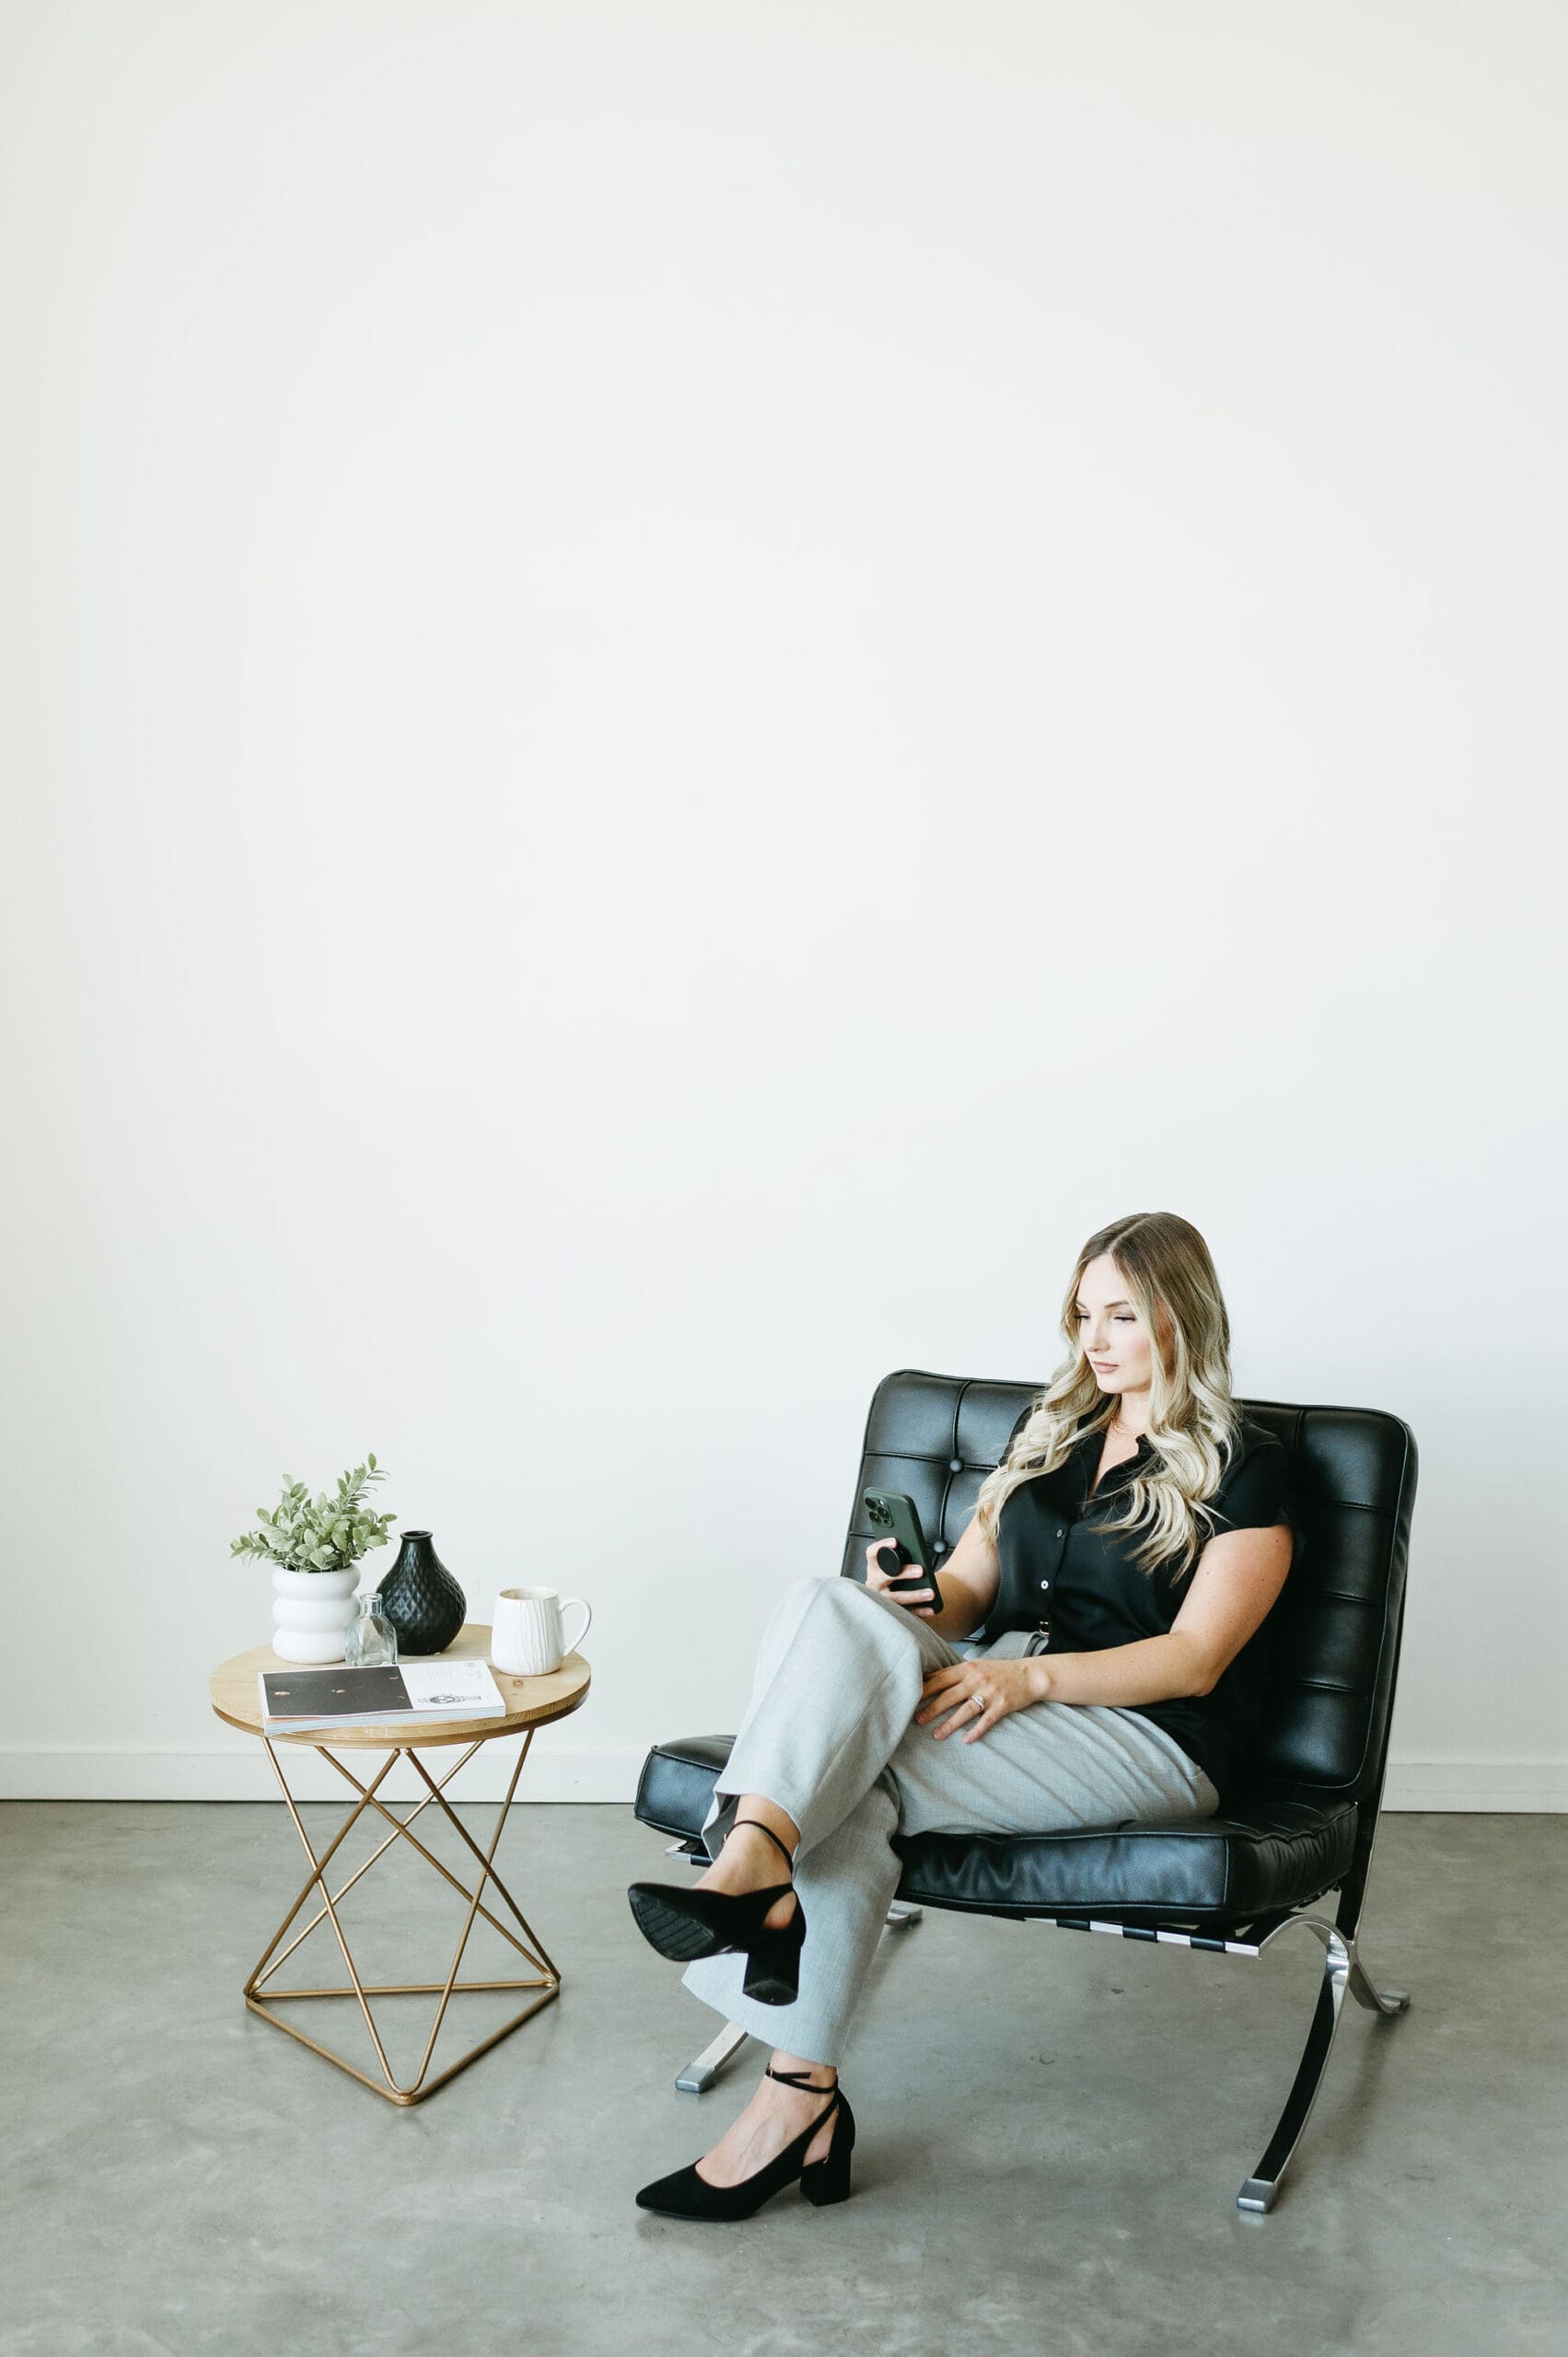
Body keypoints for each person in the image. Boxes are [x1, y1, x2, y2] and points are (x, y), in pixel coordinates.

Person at [626, 1210, 1297, 2220]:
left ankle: (765, 1939)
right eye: (1082, 1315)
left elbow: (1195, 1661)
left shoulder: (1247, 1465)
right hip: (1007, 1683)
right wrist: (910, 1599)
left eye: (1120, 1315)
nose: (1093, 1340)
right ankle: (780, 1997)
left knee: (850, 1780)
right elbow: (966, 1598)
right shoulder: (1054, 1435)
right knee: (826, 1603)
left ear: (1180, 1315)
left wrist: (1029, 1681)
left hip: (1149, 1734)